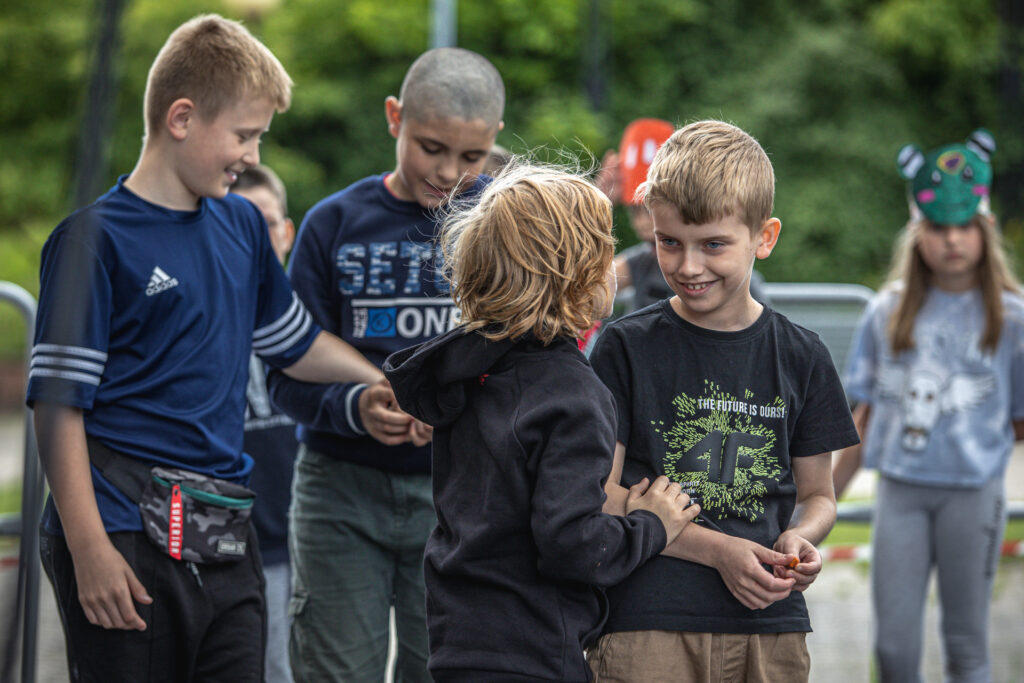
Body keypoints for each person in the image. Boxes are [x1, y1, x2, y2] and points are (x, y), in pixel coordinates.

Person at [26, 15, 387, 682]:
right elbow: (56, 407)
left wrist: (374, 383)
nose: (252, 156)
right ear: (182, 117)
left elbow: (295, 342)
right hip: (121, 534)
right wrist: (88, 549)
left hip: (224, 529)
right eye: (244, 135)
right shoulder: (92, 241)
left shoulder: (244, 224)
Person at [382, 162, 700, 682]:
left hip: (456, 644)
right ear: (574, 277)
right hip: (533, 653)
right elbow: (573, 545)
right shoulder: (573, 396)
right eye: (603, 255)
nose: (613, 269)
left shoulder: (470, 372)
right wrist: (652, 526)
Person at [587, 120, 860, 683]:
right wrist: (718, 551)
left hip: (771, 625)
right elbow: (601, 493)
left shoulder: (803, 355)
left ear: (765, 236)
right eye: (669, 243)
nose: (688, 267)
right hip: (648, 622)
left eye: (713, 244)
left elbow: (818, 497)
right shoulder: (624, 345)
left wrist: (800, 540)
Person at [265, 47, 505, 682]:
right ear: (394, 118)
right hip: (339, 490)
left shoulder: (502, 229)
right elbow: (284, 371)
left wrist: (454, 413)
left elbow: (531, 365)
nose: (449, 172)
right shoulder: (332, 224)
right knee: (335, 669)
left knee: (447, 669)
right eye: (431, 147)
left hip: (460, 495)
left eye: (471, 157)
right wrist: (356, 407)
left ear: (494, 143)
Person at [832, 129, 1023, 683]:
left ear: (984, 230)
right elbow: (860, 419)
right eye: (939, 228)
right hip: (901, 491)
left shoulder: (1011, 319)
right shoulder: (885, 313)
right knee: (893, 650)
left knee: (966, 648)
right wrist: (822, 506)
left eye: (965, 227)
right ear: (919, 233)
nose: (953, 240)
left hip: (974, 493)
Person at [230, 164, 298, 683]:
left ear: (287, 232)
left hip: (305, 538)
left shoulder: (306, 317)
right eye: (240, 223)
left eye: (266, 224)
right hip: (232, 541)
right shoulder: (211, 314)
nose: (254, 239)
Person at [597, 117, 770, 315]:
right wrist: (597, 206)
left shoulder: (742, 282)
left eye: (647, 210)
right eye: (634, 210)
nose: (689, 269)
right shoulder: (641, 262)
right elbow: (588, 291)